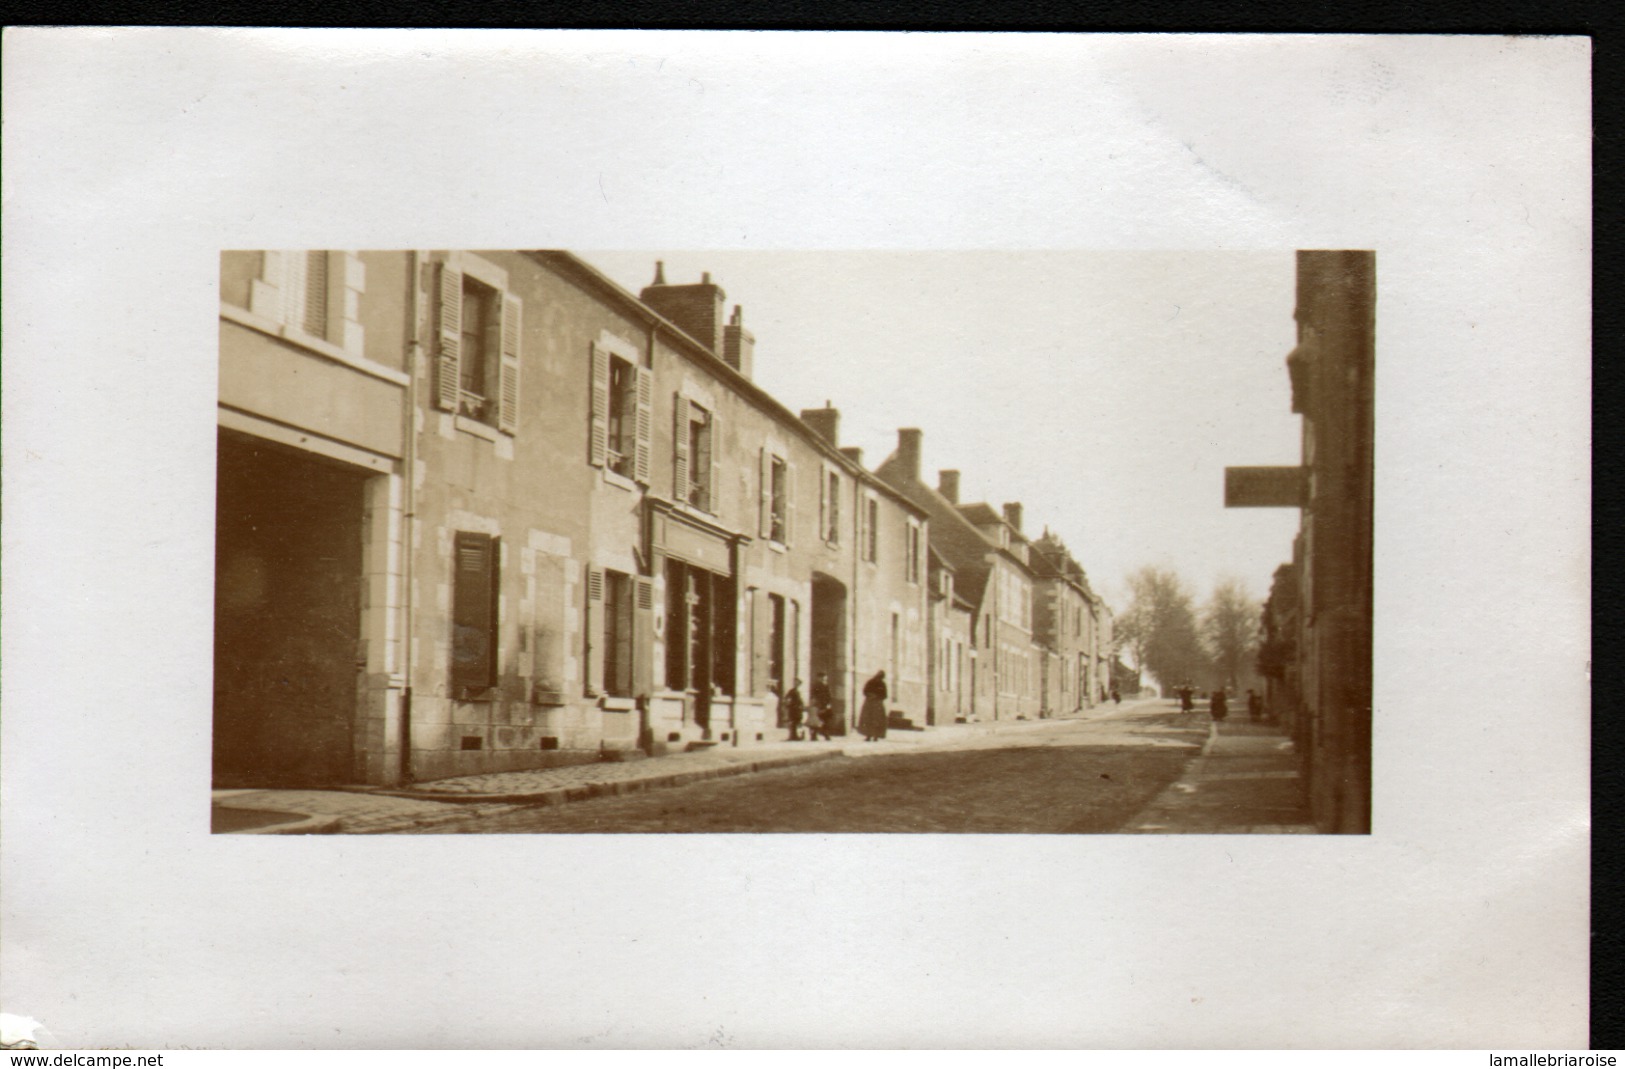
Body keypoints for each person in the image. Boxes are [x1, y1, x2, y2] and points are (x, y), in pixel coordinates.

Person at [858, 670, 889, 741]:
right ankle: (868, 736)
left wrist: (877, 697)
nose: (879, 678)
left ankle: (876, 736)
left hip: (878, 704)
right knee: (868, 719)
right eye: (878, 676)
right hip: (869, 703)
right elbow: (865, 691)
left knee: (877, 720)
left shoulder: (882, 684)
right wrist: (870, 695)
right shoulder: (870, 682)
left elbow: (885, 695)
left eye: (880, 677)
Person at [809, 671, 834, 739]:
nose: (824, 680)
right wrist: (815, 704)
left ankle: (825, 734)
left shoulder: (826, 686)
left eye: (825, 679)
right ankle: (814, 735)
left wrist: (828, 704)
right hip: (818, 705)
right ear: (818, 678)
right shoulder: (816, 686)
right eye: (822, 679)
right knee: (816, 720)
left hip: (825, 705)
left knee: (826, 720)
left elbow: (829, 696)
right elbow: (813, 696)